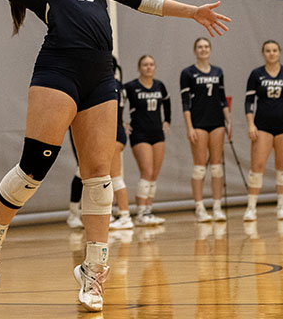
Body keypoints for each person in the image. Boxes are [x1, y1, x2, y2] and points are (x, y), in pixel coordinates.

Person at [0, 0, 230, 312]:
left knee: (100, 173)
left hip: (102, 74)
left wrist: (192, 13)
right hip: (58, 71)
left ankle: (94, 270)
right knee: (34, 167)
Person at [242, 40, 283, 221]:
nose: (271, 53)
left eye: (274, 50)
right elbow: (248, 101)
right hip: (262, 125)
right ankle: (251, 207)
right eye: (268, 51)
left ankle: (281, 207)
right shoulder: (256, 74)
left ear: (279, 52)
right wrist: (250, 124)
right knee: (258, 166)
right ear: (263, 54)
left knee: (282, 166)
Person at [67, 57, 134, 231]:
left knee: (110, 176)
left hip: (110, 133)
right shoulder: (119, 85)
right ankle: (108, 214)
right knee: (96, 173)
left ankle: (123, 215)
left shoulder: (106, 85)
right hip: (113, 131)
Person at [181, 37, 232, 222]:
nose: (203, 49)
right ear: (195, 51)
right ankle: (200, 208)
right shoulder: (187, 73)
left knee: (217, 167)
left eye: (206, 46)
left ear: (210, 49)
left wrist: (228, 121)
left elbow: (221, 98)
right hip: (198, 123)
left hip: (217, 121)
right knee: (200, 168)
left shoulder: (218, 71)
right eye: (200, 47)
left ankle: (217, 207)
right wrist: (190, 127)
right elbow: (185, 103)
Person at [125, 55, 171, 226]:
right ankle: (141, 212)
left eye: (151, 64)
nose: (148, 68)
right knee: (147, 171)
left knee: (154, 174)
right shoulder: (131, 87)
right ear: (139, 68)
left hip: (157, 133)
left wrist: (168, 120)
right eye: (145, 65)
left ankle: (149, 211)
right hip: (139, 134)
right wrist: (121, 122)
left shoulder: (160, 86)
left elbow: (167, 102)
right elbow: (117, 102)